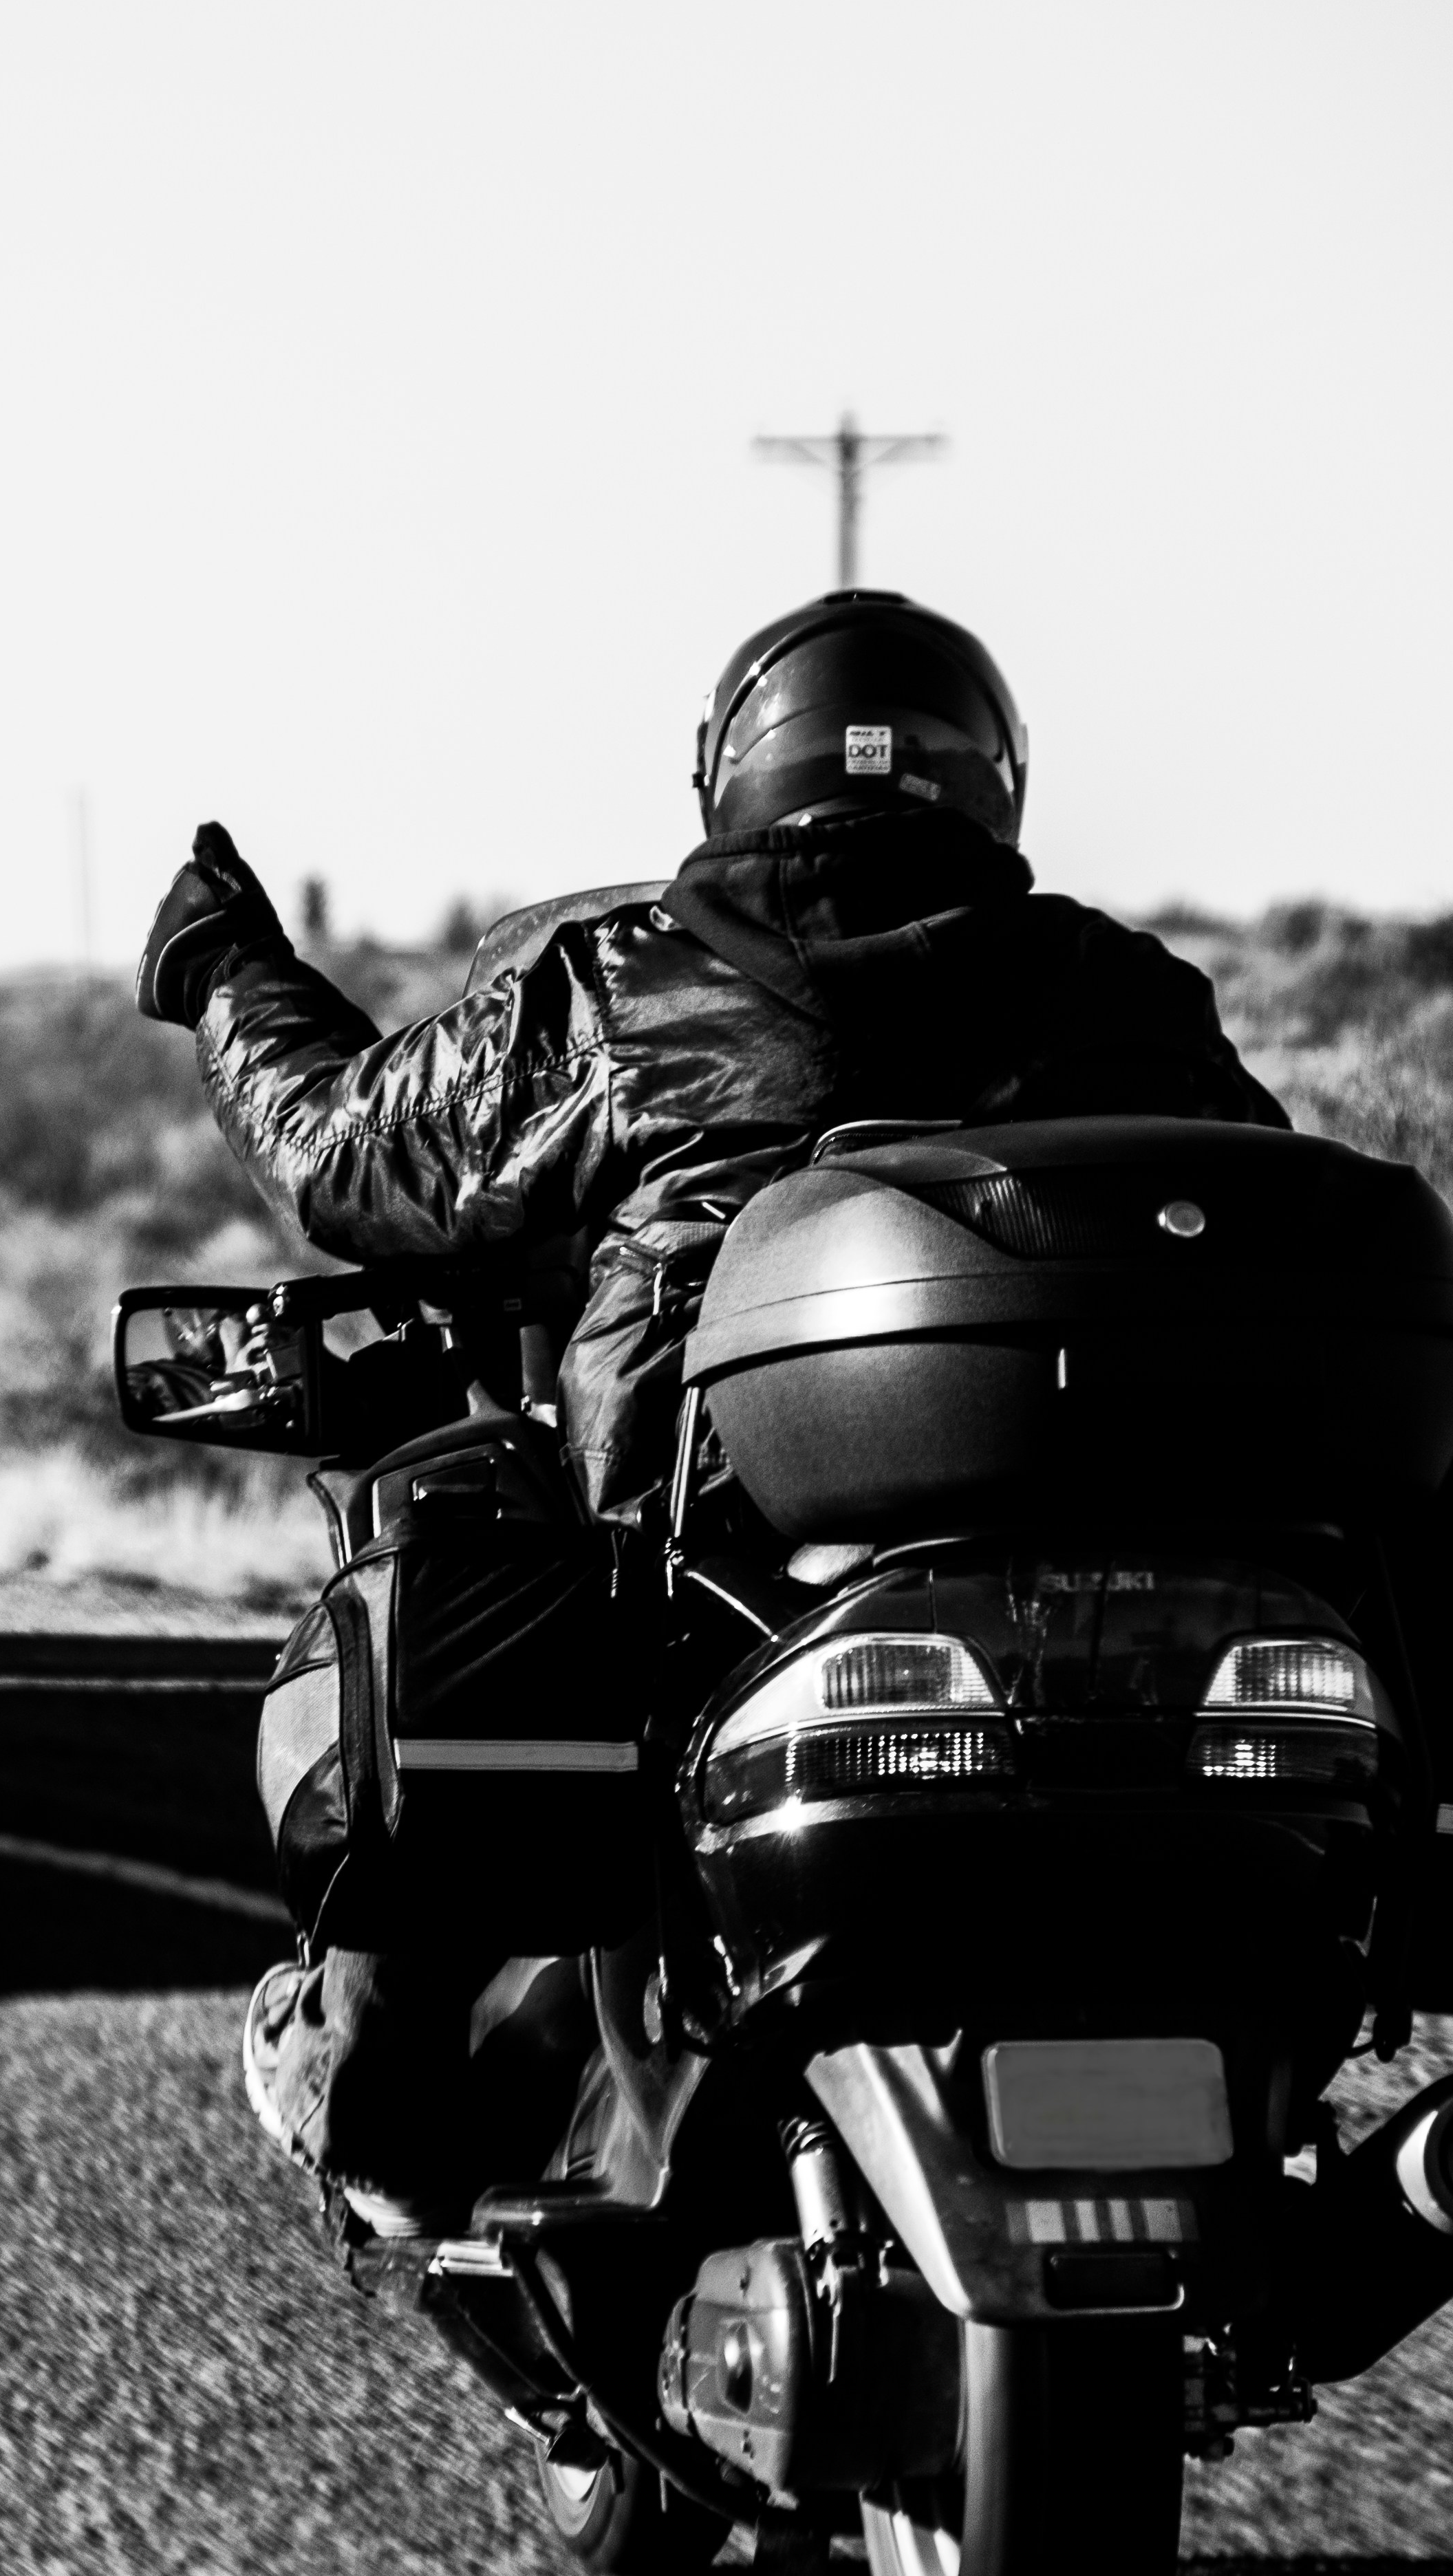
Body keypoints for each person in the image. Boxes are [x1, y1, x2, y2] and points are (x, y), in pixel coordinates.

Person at [136, 587, 1291, 2239]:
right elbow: (1249, 1228)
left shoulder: (626, 988)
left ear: (731, 775)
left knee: (456, 1553)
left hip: (717, 1570)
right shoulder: (1127, 994)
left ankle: (365, 2082)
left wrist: (228, 973)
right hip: (1108, 1565)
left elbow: (346, 1152)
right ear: (996, 783)